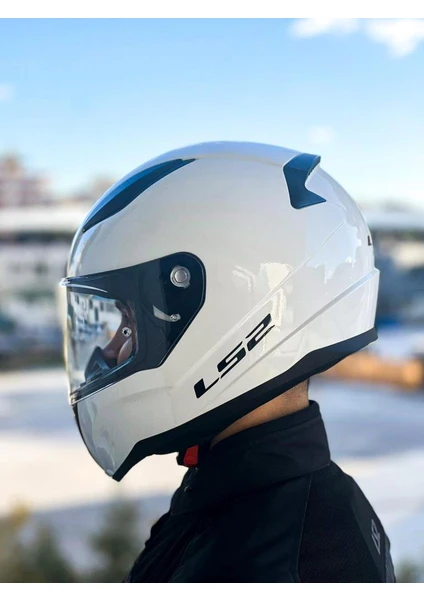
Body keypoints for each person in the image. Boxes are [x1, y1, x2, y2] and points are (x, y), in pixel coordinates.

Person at [61, 141, 395, 583]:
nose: (109, 352)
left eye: (130, 324)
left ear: (223, 313)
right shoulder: (265, 504)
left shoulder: (270, 563)